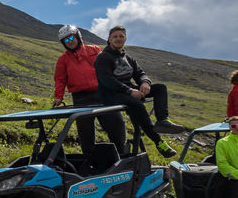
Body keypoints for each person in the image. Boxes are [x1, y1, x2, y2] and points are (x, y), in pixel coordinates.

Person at [93, 25, 186, 158]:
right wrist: (130, 91)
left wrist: (145, 83)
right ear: (109, 39)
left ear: (125, 38)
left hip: (129, 91)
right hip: (112, 95)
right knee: (137, 105)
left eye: (121, 36)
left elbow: (140, 73)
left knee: (160, 88)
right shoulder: (102, 58)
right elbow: (107, 80)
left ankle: (162, 121)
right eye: (115, 37)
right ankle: (159, 142)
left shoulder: (128, 58)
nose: (118, 39)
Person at [52, 25, 127, 156]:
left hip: (103, 93)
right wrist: (59, 97)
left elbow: (108, 68)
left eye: (71, 37)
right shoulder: (63, 59)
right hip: (81, 98)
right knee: (85, 131)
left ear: (78, 36)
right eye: (65, 40)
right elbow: (60, 79)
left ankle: (121, 154)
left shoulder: (94, 50)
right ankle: (90, 159)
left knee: (116, 123)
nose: (69, 41)